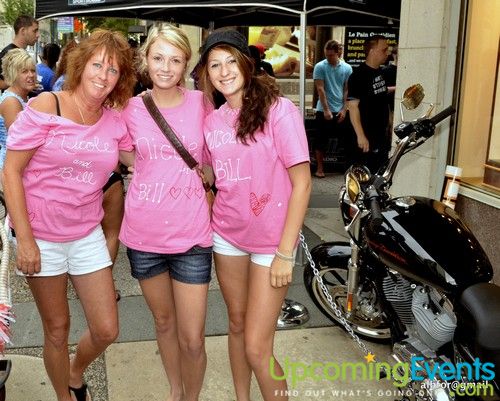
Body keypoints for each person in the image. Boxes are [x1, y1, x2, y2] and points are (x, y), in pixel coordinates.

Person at [3, 29, 135, 401]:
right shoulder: (48, 105)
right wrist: (25, 240)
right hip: (40, 236)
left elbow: (139, 160)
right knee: (57, 328)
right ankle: (65, 395)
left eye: (113, 70)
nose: (103, 76)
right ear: (80, 65)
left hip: (86, 234)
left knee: (107, 328)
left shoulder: (113, 119)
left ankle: (76, 372)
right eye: (97, 65)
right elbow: (10, 172)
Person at [197, 30, 311, 401]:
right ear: (206, 74)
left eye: (231, 60)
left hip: (271, 244)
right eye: (215, 64)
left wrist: (284, 251)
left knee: (258, 346)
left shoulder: (279, 111)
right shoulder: (212, 122)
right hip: (227, 236)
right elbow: (218, 175)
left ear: (247, 63)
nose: (224, 71)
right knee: (235, 325)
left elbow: (303, 184)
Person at [119, 24, 212, 401]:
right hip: (144, 235)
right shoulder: (131, 108)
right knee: (162, 321)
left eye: (175, 60)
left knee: (192, 338)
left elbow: (215, 157)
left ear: (186, 65)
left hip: (192, 236)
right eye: (158, 58)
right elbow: (125, 155)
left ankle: (191, 396)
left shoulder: (202, 103)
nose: (165, 67)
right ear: (145, 60)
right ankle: (176, 390)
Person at [347, 34, 390, 173]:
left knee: (378, 176)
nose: (387, 53)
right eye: (384, 49)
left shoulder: (380, 72)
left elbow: (382, 99)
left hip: (380, 136)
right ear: (372, 51)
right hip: (366, 137)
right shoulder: (358, 75)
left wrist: (390, 122)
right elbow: (353, 107)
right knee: (362, 177)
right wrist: (361, 135)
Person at [312, 39, 352, 177]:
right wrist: (326, 110)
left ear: (338, 53)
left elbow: (347, 90)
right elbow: (320, 89)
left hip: (340, 108)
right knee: (320, 140)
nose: (328, 58)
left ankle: (348, 168)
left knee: (346, 140)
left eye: (331, 55)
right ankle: (320, 169)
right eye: (326, 55)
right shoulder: (320, 67)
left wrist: (344, 109)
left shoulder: (347, 68)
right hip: (323, 109)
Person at [0, 49, 37, 173]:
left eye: (33, 70)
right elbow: (20, 142)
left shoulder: (24, 97)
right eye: (24, 71)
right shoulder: (11, 101)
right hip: (9, 170)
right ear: (13, 74)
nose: (31, 75)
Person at [0, 15, 39, 90]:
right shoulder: (9, 53)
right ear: (23, 31)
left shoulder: (20, 52)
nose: (38, 35)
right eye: (34, 31)